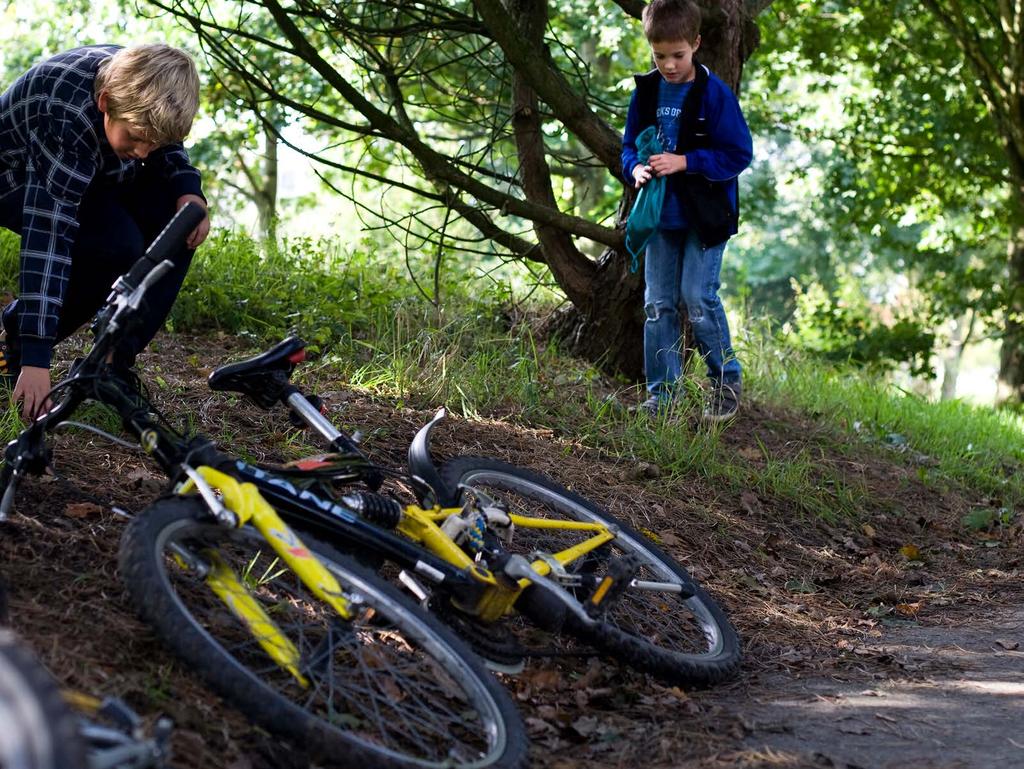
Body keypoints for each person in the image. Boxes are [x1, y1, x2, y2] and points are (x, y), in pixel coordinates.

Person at [0, 43, 210, 420]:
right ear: (104, 102)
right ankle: (16, 339)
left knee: (183, 219)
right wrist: (36, 356)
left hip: (96, 168)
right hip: (17, 176)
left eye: (153, 141)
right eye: (136, 137)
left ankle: (111, 362)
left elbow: (163, 141)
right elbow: (48, 236)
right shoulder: (64, 109)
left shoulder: (145, 87)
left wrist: (187, 188)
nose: (145, 152)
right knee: (116, 245)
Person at [621, 0, 753, 421]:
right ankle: (664, 394)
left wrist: (685, 161)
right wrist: (636, 168)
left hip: (705, 217)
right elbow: (627, 147)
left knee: (697, 298)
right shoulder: (645, 92)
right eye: (660, 56)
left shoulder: (715, 94)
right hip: (660, 216)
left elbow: (738, 154)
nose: (669, 65)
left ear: (695, 45)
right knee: (658, 303)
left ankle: (725, 380)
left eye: (677, 55)